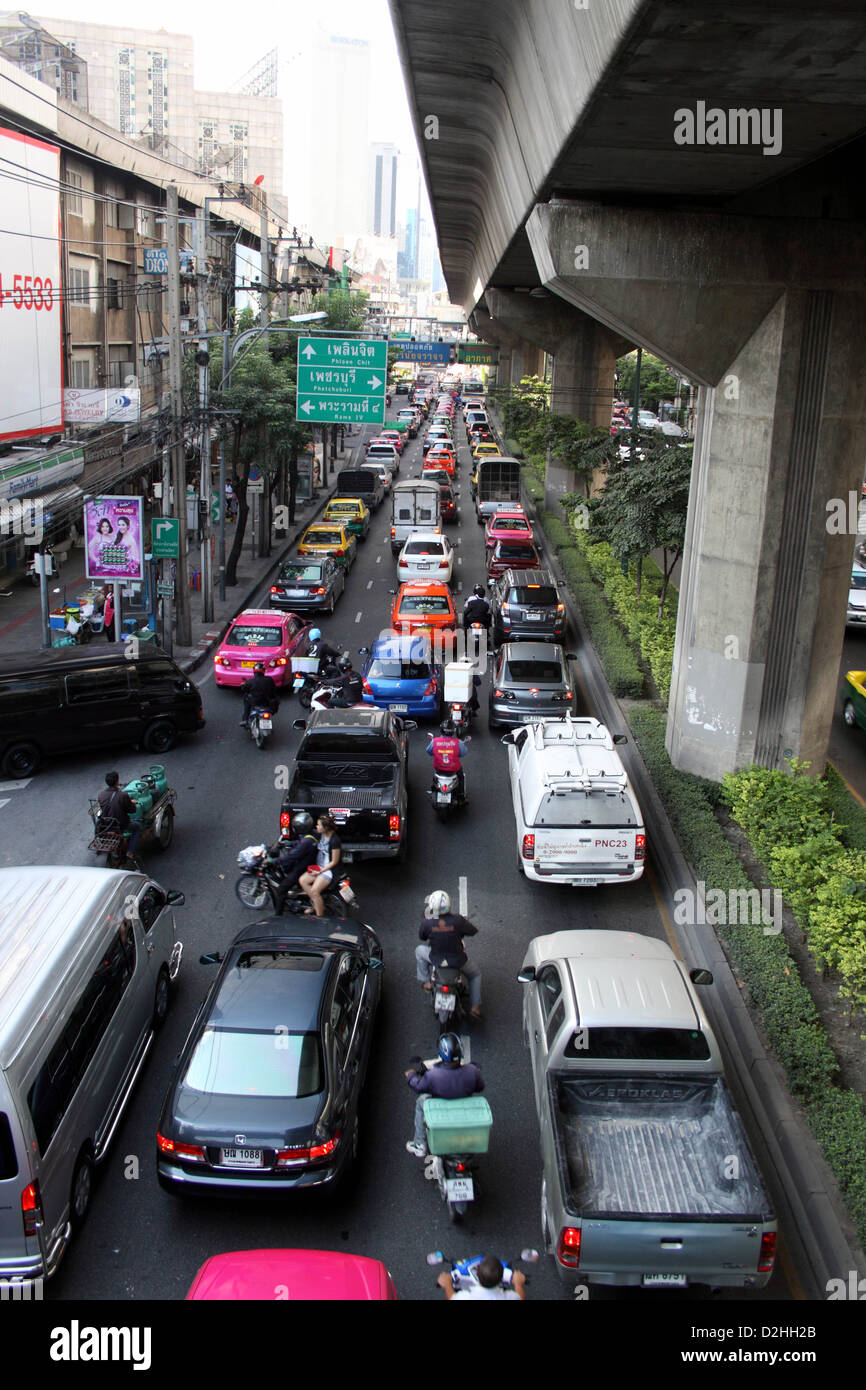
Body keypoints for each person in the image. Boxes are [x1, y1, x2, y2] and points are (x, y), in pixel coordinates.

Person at [405, 1031, 485, 1157]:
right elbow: (480, 1087)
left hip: (441, 1112)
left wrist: (410, 1075)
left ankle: (420, 1143)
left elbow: (418, 1086)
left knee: (421, 1101)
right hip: (463, 1111)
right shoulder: (472, 1071)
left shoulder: (433, 1076)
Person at [415, 889, 482, 1020]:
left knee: (419, 950)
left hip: (436, 959)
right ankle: (475, 1007)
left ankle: (426, 981)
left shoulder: (427, 922)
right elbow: (472, 931)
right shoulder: (458, 920)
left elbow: (422, 937)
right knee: (475, 975)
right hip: (457, 961)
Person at [269, 812, 319, 912]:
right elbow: (299, 843)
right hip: (312, 862)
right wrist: (289, 843)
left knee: (281, 890)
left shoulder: (306, 842)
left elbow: (291, 857)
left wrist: (274, 861)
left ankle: (278, 915)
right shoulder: (312, 835)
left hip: (301, 868)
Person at [298, 814, 342, 917]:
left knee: (314, 891)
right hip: (319, 867)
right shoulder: (321, 835)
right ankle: (316, 903)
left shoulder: (335, 840)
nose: (316, 827)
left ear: (325, 828)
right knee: (302, 880)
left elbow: (334, 861)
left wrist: (320, 872)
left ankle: (319, 915)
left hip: (328, 870)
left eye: (318, 825)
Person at [97, 771, 140, 867]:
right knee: (137, 827)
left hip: (106, 824)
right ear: (117, 781)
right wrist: (132, 802)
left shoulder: (101, 794)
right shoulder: (123, 795)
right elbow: (132, 810)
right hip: (121, 824)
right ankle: (130, 851)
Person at [437, 1257, 526, 1301]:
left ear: (477, 1273)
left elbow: (452, 1297)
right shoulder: (510, 1297)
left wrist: (447, 1284)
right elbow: (520, 1297)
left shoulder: (465, 1297)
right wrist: (518, 1284)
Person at [426, 720, 470, 802]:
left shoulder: (435, 741)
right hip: (453, 769)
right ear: (453, 731)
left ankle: (433, 789)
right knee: (461, 777)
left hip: (439, 769)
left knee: (434, 777)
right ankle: (461, 796)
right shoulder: (458, 743)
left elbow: (429, 751)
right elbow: (463, 753)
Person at [240, 662, 279, 726]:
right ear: (263, 671)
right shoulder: (270, 679)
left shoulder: (250, 681)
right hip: (267, 703)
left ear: (254, 672)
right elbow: (274, 690)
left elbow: (244, 689)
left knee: (245, 697)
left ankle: (245, 719)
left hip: (255, 703)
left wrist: (243, 685)